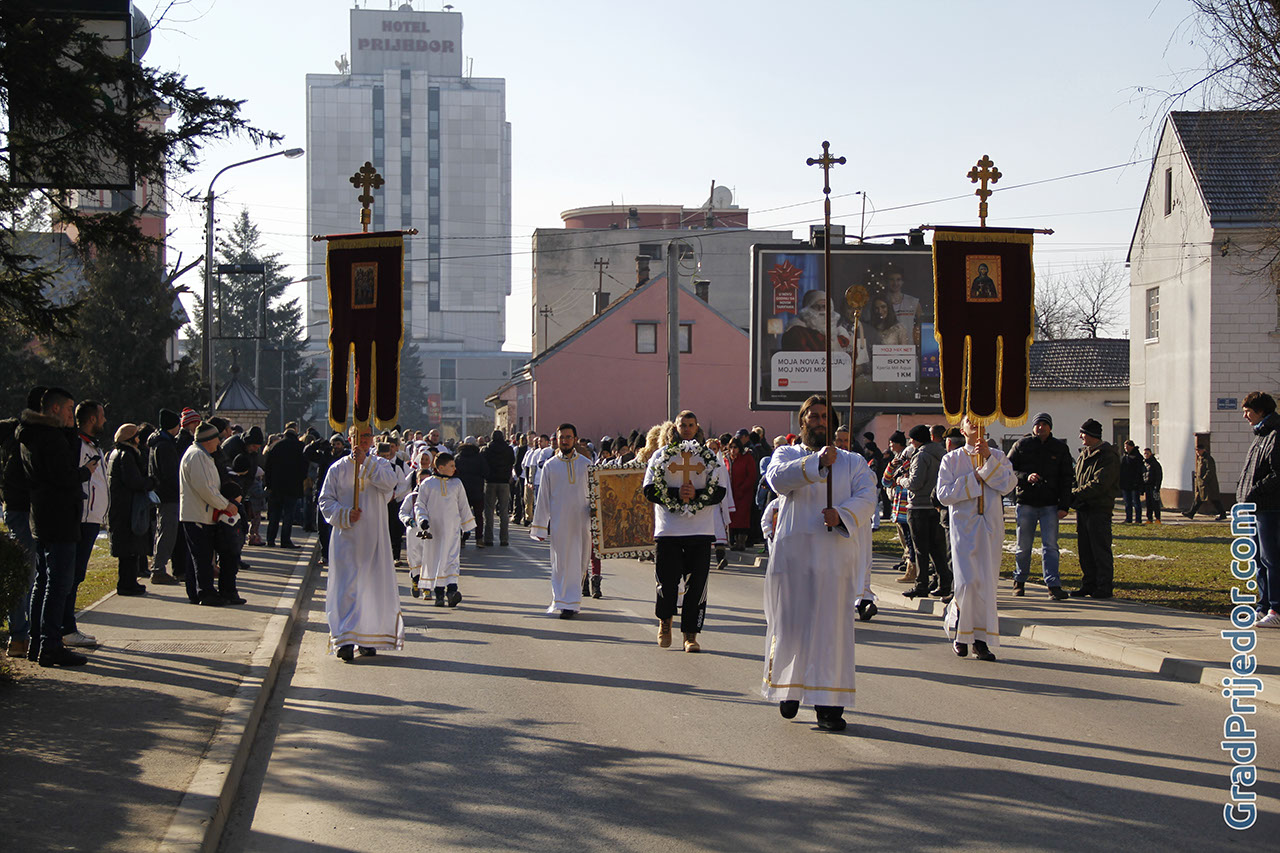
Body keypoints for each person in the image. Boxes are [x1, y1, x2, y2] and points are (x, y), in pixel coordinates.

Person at [762, 395, 876, 731]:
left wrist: (840, 514)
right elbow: (777, 479)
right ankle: (789, 688)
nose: (819, 421)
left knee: (830, 630)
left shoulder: (853, 461)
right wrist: (816, 465)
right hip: (794, 554)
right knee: (792, 625)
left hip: (833, 556)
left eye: (825, 416)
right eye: (812, 416)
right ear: (802, 422)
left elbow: (868, 497)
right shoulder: (788, 454)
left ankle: (829, 704)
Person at [19, 387, 93, 667]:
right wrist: (86, 472)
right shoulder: (50, 439)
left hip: (43, 516)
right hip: (59, 517)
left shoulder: (32, 434)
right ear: (54, 409)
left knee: (42, 582)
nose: (73, 415)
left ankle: (37, 642)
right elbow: (64, 476)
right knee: (57, 584)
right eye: (69, 409)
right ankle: (50, 645)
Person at [318, 425, 405, 661]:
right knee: (347, 587)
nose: (364, 440)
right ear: (350, 438)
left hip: (375, 537)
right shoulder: (337, 468)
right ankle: (345, 638)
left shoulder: (381, 464)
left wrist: (366, 462)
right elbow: (325, 500)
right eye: (359, 436)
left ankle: (367, 637)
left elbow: (389, 484)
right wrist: (345, 514)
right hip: (347, 536)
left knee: (371, 586)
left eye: (367, 436)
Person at [643, 411, 727, 650]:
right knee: (667, 583)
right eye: (683, 425)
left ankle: (690, 635)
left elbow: (720, 491)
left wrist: (697, 495)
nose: (687, 429)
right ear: (676, 427)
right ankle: (665, 621)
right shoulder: (661, 456)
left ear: (697, 427)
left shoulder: (709, 457)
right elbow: (649, 490)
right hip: (669, 530)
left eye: (691, 425)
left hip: (700, 531)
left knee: (697, 585)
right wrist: (675, 494)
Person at [937, 418, 1018, 660]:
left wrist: (989, 463)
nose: (976, 423)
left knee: (986, 583)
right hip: (964, 527)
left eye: (979, 420)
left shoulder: (998, 455)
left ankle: (980, 641)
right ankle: (961, 632)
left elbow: (1009, 484)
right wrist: (973, 478)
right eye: (969, 421)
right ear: (963, 430)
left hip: (990, 526)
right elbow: (943, 494)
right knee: (966, 582)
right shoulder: (951, 459)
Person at [1007, 412, 1074, 600]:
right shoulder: (1022, 445)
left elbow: (1067, 478)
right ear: (1033, 427)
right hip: (1026, 502)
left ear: (1050, 427)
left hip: (1050, 504)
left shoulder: (1060, 448)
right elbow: (1007, 468)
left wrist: (1064, 505)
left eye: (1045, 424)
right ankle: (1019, 582)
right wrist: (1025, 477)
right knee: (1023, 545)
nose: (1041, 427)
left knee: (1051, 546)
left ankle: (1053, 585)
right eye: (1038, 424)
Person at [532, 424, 592, 619]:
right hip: (560, 523)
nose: (564, 440)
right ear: (556, 440)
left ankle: (572, 601)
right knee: (561, 563)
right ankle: (563, 602)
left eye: (568, 437)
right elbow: (543, 498)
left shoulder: (586, 464)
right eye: (561, 437)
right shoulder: (550, 466)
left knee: (581, 562)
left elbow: (596, 494)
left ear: (575, 439)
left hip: (582, 522)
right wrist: (540, 527)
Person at [180, 422, 238, 607]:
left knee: (199, 556)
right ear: (208, 440)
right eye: (217, 439)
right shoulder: (197, 456)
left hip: (201, 514)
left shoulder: (203, 455)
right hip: (197, 515)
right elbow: (206, 488)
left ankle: (198, 592)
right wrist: (226, 505)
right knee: (202, 557)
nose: (219, 443)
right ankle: (205, 593)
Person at [1237, 392, 1279, 627]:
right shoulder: (1260, 435)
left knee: (1272, 559)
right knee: (1259, 560)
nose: (1245, 416)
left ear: (1261, 411)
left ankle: (1276, 608)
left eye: (1248, 411)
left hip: (1271, 508)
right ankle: (1263, 607)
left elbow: (1276, 474)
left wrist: (1253, 492)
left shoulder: (1275, 435)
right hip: (1257, 507)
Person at [415, 451, 475, 607]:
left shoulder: (457, 484)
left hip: (452, 530)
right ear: (440, 467)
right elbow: (420, 504)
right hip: (434, 531)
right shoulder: (428, 484)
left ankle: (452, 591)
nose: (455, 468)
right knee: (436, 560)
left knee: (452, 559)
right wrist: (423, 520)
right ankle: (439, 593)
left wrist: (467, 526)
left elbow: (463, 505)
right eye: (451, 466)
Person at [1069, 419, 1121, 599]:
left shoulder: (1107, 456)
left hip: (1099, 509)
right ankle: (1088, 584)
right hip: (1084, 508)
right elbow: (1077, 477)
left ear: (1092, 435)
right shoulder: (1084, 454)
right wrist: (1073, 493)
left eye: (1083, 433)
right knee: (1085, 550)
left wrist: (1075, 494)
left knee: (1100, 549)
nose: (1080, 436)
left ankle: (1104, 586)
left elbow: (1100, 484)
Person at [899, 424, 949, 599]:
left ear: (916, 439)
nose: (910, 442)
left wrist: (902, 481)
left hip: (919, 507)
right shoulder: (942, 453)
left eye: (911, 439)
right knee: (937, 549)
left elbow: (915, 483)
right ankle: (944, 583)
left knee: (921, 549)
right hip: (936, 506)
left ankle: (921, 585)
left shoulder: (921, 456)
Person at [106, 423, 150, 597]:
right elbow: (134, 482)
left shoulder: (116, 453)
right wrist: (150, 483)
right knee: (129, 549)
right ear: (132, 438)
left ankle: (129, 582)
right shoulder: (127, 455)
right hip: (127, 508)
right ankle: (127, 584)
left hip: (121, 507)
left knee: (128, 549)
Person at [148, 409, 184, 584]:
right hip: (169, 495)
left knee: (163, 530)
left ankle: (158, 566)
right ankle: (158, 569)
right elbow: (170, 473)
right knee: (167, 532)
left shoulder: (158, 443)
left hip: (163, 494)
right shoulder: (165, 445)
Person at [263, 425, 306, 548]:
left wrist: (269, 484)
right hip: (292, 487)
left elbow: (268, 467)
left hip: (276, 487)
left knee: (274, 514)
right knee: (288, 515)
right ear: (296, 434)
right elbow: (304, 467)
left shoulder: (275, 446)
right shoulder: (299, 447)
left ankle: (270, 540)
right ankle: (285, 540)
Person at [882, 431, 916, 584]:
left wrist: (900, 478)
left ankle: (913, 569)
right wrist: (891, 466)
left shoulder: (912, 463)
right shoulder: (896, 462)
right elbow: (886, 481)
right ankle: (909, 564)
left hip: (909, 506)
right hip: (899, 506)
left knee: (911, 540)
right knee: (907, 539)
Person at [453, 437, 489, 548]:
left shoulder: (457, 457)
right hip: (477, 490)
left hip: (462, 491)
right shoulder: (479, 457)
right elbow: (486, 472)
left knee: (461, 516)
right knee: (478, 516)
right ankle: (479, 539)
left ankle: (462, 539)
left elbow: (453, 473)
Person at [481, 429, 515, 547]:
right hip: (504, 482)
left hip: (490, 482)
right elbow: (512, 462)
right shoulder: (509, 449)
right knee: (504, 511)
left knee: (489, 511)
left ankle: (488, 538)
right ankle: (504, 539)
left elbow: (483, 464)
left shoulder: (486, 450)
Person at [726, 436, 757, 551]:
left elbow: (751, 475)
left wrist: (742, 488)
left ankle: (741, 542)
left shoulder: (747, 458)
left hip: (744, 493)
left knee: (742, 518)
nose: (733, 450)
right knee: (732, 518)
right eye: (731, 447)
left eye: (735, 447)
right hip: (731, 493)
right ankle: (733, 541)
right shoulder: (727, 459)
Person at [1184, 442, 1228, 520]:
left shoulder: (1208, 459)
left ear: (1203, 450)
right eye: (1196, 450)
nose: (1197, 452)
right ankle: (1191, 513)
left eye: (1199, 450)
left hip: (1209, 485)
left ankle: (1222, 514)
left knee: (1214, 499)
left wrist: (1204, 479)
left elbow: (1210, 471)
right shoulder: (1200, 459)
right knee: (1198, 499)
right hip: (1201, 484)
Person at [1118, 440, 1145, 524]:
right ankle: (1128, 519)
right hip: (1126, 483)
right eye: (1125, 447)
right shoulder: (1124, 456)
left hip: (1134, 483)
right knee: (1127, 503)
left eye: (1127, 447)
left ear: (1132, 446)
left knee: (1136, 502)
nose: (1126, 448)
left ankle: (1138, 519)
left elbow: (1139, 471)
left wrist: (1137, 482)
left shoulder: (1137, 457)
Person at [1143, 448, 1163, 523]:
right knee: (1148, 503)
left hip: (1154, 486)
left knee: (1155, 503)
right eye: (1145, 453)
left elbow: (1159, 476)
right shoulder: (1145, 463)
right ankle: (1149, 518)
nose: (1146, 455)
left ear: (1151, 453)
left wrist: (1157, 486)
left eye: (1147, 453)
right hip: (1147, 486)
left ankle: (1157, 518)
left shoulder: (1155, 464)